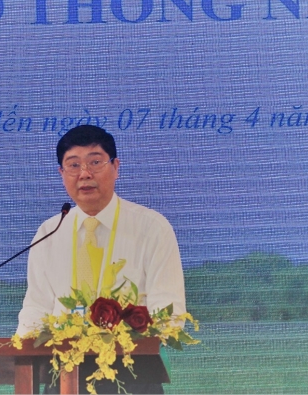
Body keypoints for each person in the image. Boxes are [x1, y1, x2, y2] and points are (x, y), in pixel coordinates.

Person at [17, 125, 186, 394]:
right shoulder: (49, 232)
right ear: (62, 174)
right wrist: (23, 348)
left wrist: (121, 339)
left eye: (95, 162)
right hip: (62, 379)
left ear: (116, 167)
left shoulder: (151, 228)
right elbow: (36, 307)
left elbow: (170, 313)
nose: (84, 174)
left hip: (133, 378)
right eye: (73, 165)